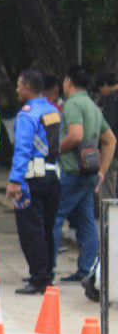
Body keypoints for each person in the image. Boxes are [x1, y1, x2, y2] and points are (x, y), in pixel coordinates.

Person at [52, 66, 117, 282]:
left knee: (55, 218)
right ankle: (88, 268)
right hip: (89, 173)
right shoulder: (92, 105)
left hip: (73, 172)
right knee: (87, 220)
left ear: (68, 82)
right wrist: (101, 172)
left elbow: (76, 135)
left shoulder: (72, 104)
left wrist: (55, 149)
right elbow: (110, 140)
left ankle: (45, 270)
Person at [7, 69, 62, 294]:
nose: (17, 90)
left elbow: (22, 149)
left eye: (19, 85)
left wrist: (14, 180)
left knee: (31, 229)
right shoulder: (53, 110)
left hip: (32, 178)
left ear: (28, 87)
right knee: (47, 227)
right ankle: (47, 274)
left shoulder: (27, 114)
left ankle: (38, 279)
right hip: (54, 175)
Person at [92, 71, 118, 199]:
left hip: (113, 152)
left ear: (106, 84)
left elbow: (107, 124)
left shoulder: (112, 99)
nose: (101, 92)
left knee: (108, 192)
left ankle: (111, 218)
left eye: (100, 89)